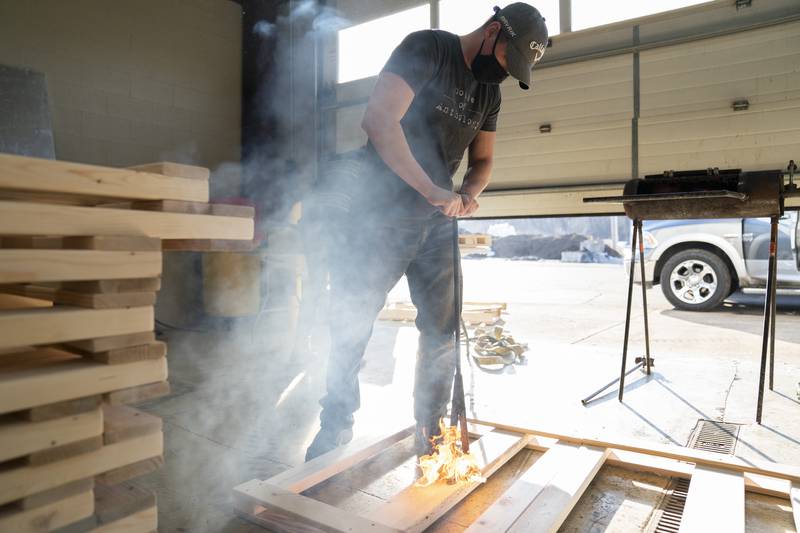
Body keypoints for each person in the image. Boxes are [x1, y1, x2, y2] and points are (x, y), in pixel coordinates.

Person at [306, 3, 549, 461]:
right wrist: (430, 188)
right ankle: (334, 423)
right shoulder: (427, 49)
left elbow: (483, 162)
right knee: (351, 323)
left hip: (437, 224)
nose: (502, 73)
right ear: (494, 31)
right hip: (378, 214)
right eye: (505, 60)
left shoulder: (489, 95)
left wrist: (470, 193)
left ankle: (430, 430)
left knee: (440, 332)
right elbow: (378, 121)